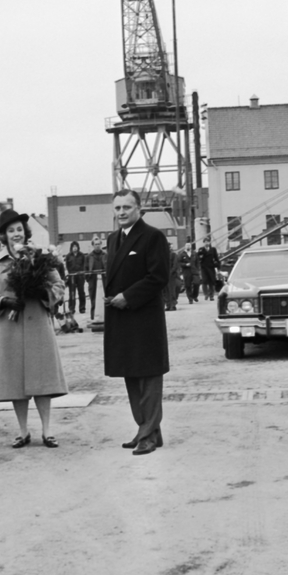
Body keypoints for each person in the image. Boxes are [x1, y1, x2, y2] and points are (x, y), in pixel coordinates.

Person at [0, 210, 67, 448]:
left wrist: (42, 292)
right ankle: (23, 431)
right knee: (15, 381)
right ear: (4, 235)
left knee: (42, 379)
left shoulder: (40, 257)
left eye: (19, 229)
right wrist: (3, 301)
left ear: (25, 232)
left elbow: (59, 285)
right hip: (11, 326)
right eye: (11, 230)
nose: (16, 234)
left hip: (38, 324)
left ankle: (47, 431)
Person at [103, 189, 170, 456]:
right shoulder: (113, 239)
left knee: (149, 376)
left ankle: (147, 434)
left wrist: (128, 297)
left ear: (139, 209)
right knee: (130, 373)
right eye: (118, 208)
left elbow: (158, 276)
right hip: (121, 317)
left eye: (127, 207)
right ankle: (147, 429)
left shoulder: (153, 237)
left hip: (144, 318)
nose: (121, 212)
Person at [84, 235, 106, 321]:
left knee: (105, 298)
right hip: (93, 280)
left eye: (99, 244)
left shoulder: (105, 255)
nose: (97, 246)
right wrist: (88, 279)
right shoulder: (88, 257)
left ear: (101, 244)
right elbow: (85, 268)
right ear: (93, 245)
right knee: (93, 299)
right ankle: (93, 317)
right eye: (95, 244)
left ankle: (106, 317)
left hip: (104, 280)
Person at [63, 241, 87, 315]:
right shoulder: (68, 256)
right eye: (73, 247)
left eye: (76, 246)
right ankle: (71, 308)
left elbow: (84, 265)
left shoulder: (82, 255)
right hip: (72, 276)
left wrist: (83, 274)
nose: (75, 248)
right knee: (72, 293)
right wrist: (69, 274)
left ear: (78, 247)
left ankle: (82, 308)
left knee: (81, 292)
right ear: (71, 248)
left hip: (80, 276)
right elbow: (67, 266)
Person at [197, 236, 222, 301]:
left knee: (212, 281)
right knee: (204, 281)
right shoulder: (201, 249)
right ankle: (206, 294)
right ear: (203, 243)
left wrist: (218, 267)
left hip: (211, 267)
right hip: (204, 268)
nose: (207, 243)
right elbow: (198, 258)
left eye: (208, 242)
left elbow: (216, 258)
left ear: (210, 242)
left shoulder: (213, 249)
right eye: (205, 242)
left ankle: (211, 295)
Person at [164, 245, 181, 311]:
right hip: (164, 275)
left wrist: (170, 272)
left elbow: (175, 265)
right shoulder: (163, 254)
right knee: (166, 291)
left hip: (172, 276)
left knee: (172, 291)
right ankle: (168, 305)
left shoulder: (173, 255)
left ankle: (173, 305)